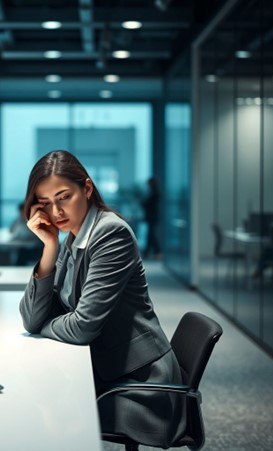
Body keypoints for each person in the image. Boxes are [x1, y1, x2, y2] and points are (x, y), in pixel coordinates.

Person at [19, 150, 185, 448]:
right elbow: (32, 317)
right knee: (34, 404)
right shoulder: (71, 236)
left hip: (139, 384)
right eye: (45, 203)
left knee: (35, 417)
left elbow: (82, 327)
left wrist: (45, 325)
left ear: (87, 188)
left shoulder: (110, 234)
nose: (56, 212)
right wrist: (48, 248)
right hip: (107, 369)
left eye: (64, 197)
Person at [141, 176, 161, 258]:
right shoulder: (152, 192)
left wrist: (143, 202)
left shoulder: (154, 193)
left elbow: (147, 204)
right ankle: (155, 252)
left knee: (150, 235)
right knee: (150, 235)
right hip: (151, 217)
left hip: (152, 217)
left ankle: (156, 251)